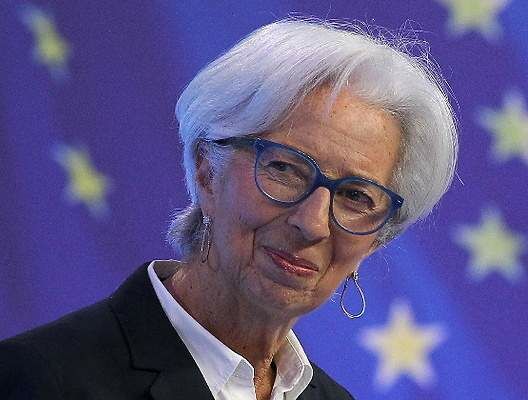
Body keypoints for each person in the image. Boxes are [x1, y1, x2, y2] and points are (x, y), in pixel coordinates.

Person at [0, 18, 457, 400]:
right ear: (206, 171)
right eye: (285, 168)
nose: (312, 223)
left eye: (356, 196)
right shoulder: (41, 380)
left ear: (376, 240)